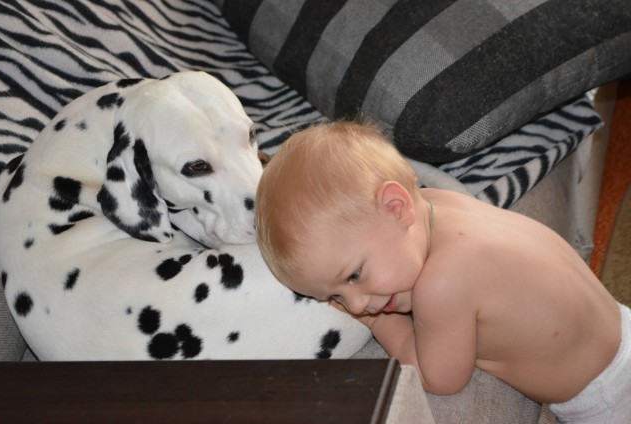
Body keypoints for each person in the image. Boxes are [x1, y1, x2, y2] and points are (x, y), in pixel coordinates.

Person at [255, 121, 631, 423]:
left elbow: (439, 378)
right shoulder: (440, 203)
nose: (354, 305)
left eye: (353, 276)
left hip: (606, 397)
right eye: (334, 297)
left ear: (396, 207)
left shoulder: (442, 285)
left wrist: (378, 323)